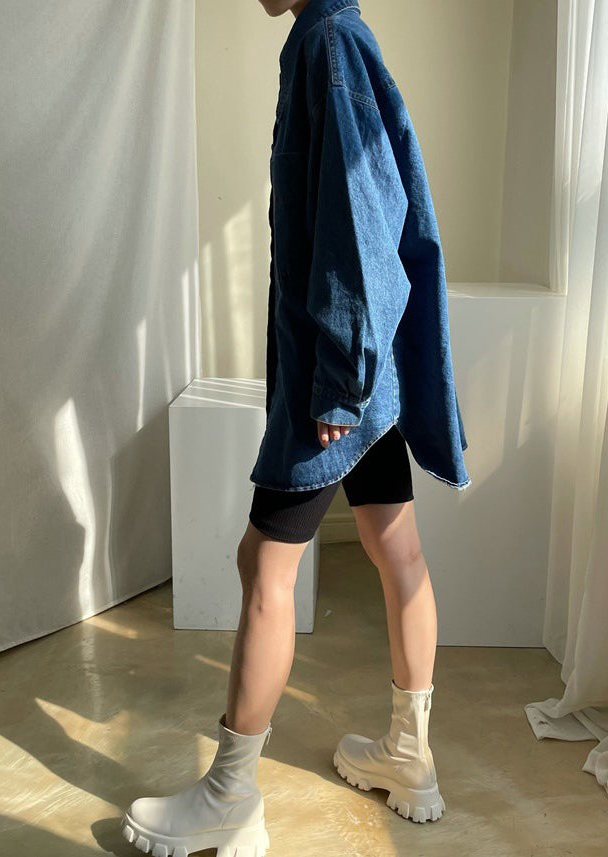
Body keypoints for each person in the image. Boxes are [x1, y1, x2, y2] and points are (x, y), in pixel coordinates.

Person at [122, 1, 471, 854]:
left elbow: (357, 221)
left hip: (336, 381)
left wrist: (339, 386)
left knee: (263, 565)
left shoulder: (326, 44)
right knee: (396, 547)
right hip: (360, 371)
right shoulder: (335, 37)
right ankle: (409, 758)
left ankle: (229, 798)